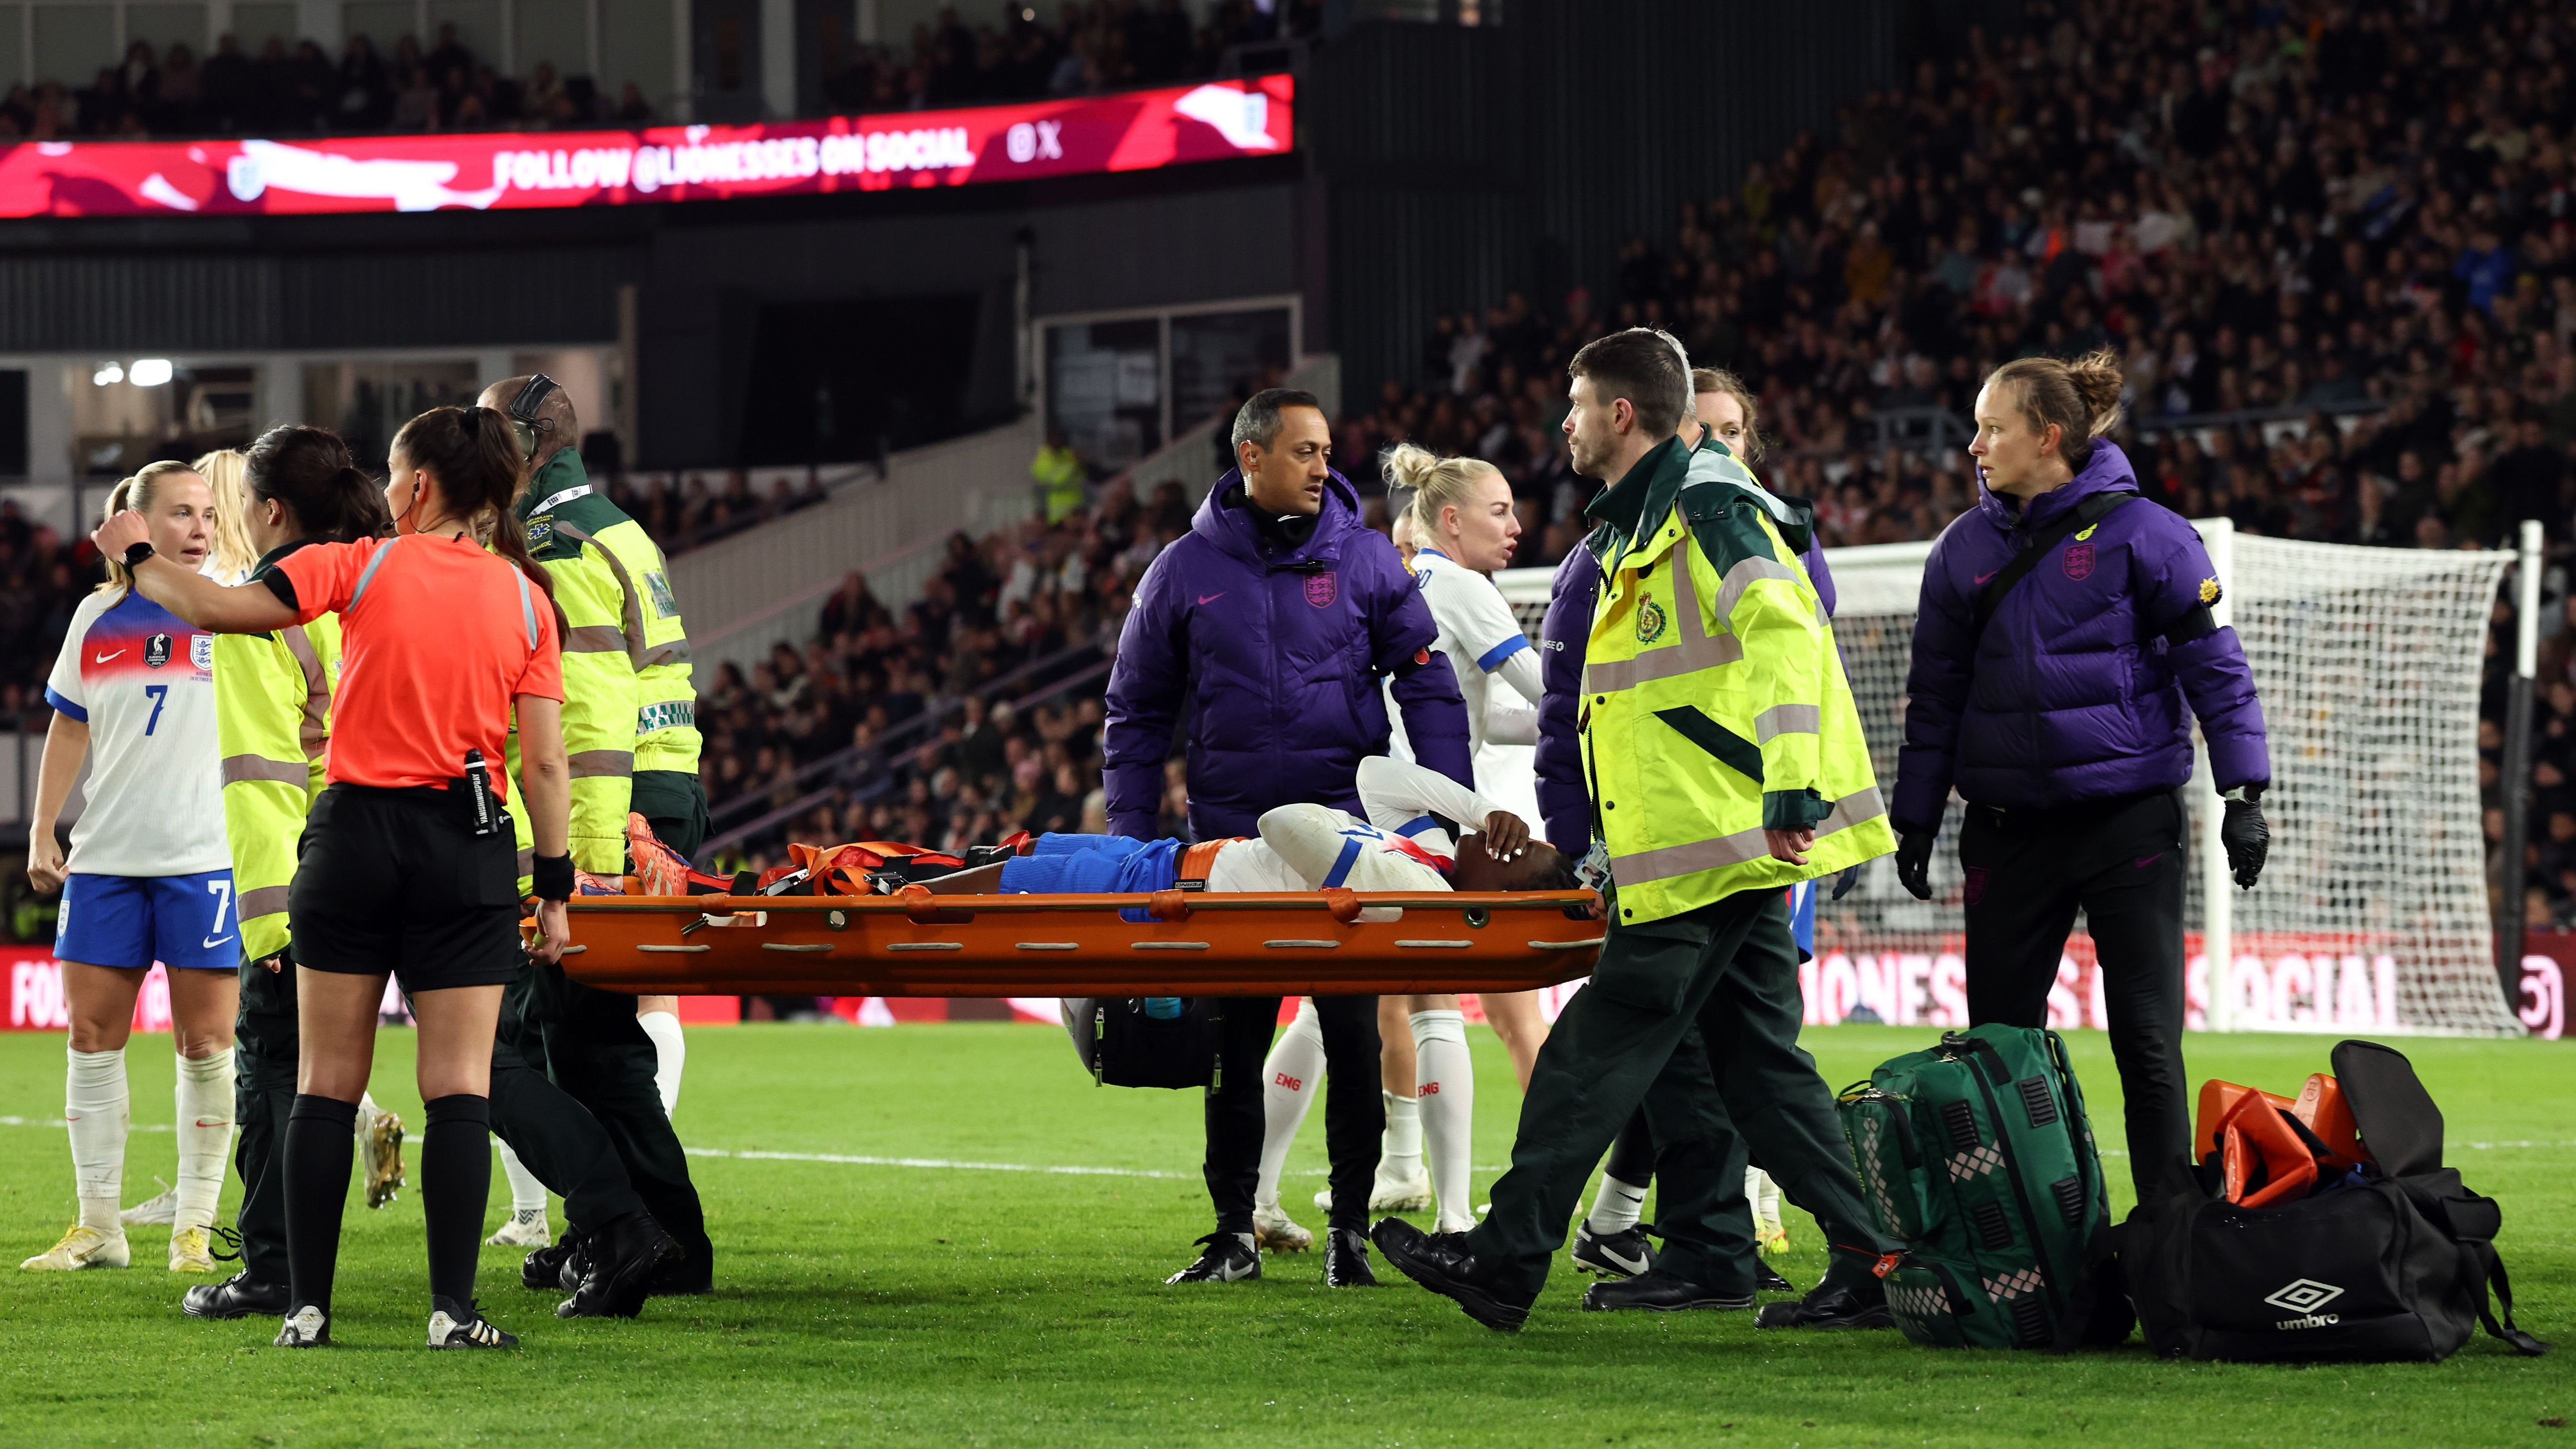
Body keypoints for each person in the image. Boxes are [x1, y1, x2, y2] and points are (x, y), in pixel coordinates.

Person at [1373, 328, 1904, 1332]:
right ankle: (1882, 1253)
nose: (1563, 424)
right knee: (1760, 1068)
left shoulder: (1708, 504)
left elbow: (1787, 631)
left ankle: (1506, 1253)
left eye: (1575, 405)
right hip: (1709, 839)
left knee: (1598, 1043)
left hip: (1720, 834)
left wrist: (1790, 783)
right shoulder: (1645, 521)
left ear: (1621, 413)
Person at [98, 403, 574, 1349]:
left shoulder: (356, 564)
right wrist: (553, 889)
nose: (386, 492)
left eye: (395, 476)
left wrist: (136, 555)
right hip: (463, 844)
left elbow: (218, 609)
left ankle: (307, 1309)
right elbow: (548, 765)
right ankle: (453, 1312)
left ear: (421, 487)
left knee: (322, 1081)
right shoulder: (527, 598)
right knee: (457, 1090)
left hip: (353, 836)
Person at [1104, 386, 1472, 1288]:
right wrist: (1128, 840)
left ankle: (1349, 1235)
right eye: (1304, 452)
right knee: (1233, 1042)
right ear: (1251, 459)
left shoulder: (1367, 561)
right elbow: (1136, 713)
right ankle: (1232, 1233)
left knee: (1350, 1035)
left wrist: (1446, 814)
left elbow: (1426, 682)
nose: (1323, 467)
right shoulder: (1183, 570)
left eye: (1325, 451)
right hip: (1229, 850)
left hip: (1342, 845)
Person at [1892, 350, 2270, 1198]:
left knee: (2144, 1038)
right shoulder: (1961, 549)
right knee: (1994, 1047)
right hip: (2003, 828)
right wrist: (1913, 816)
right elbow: (1935, 698)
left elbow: (2217, 669)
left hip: (2124, 823)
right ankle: (2009, 1249)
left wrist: (2243, 793)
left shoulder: (2149, 535)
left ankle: (2169, 1236)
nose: (1975, 446)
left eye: (1992, 428)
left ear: (2046, 436)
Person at [1553, 366, 1827, 1278]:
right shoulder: (1607, 548)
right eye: (1699, 429)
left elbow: (1800, 679)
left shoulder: (1763, 531)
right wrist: (1578, 836)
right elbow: (1570, 712)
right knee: (1705, 1061)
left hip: (1759, 839)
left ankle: (1711, 1242)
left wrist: (1797, 797)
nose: (1711, 446)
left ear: (1750, 442)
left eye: (1730, 431)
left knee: (1742, 1055)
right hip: (1659, 842)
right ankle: (1715, 1240)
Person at [1256, 442, 1550, 1249]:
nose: (1515, 526)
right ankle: (1456, 1213)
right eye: (1499, 511)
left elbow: (1484, 714)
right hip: (1417, 822)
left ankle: (1265, 1190)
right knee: (1435, 1007)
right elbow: (1546, 698)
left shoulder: (1380, 577)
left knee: (1330, 1004)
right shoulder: (1460, 587)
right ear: (1449, 519)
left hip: (1344, 807)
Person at [470, 374, 707, 1286]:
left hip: (622, 801)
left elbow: (589, 713)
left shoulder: (554, 541)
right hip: (660, 784)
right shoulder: (610, 522)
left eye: (489, 434)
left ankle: (654, 1239)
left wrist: (583, 867)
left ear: (528, 443)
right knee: (582, 1041)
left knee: (581, 1041)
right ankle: (629, 1230)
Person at [20, 462, 239, 1277]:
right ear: (135, 520)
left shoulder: (230, 604)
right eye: (181, 513)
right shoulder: (95, 615)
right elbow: (68, 728)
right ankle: (99, 1227)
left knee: (207, 1043)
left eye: (208, 514)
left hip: (206, 860)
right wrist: (45, 828)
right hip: (108, 860)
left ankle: (193, 1225)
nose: (199, 528)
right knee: (90, 1037)